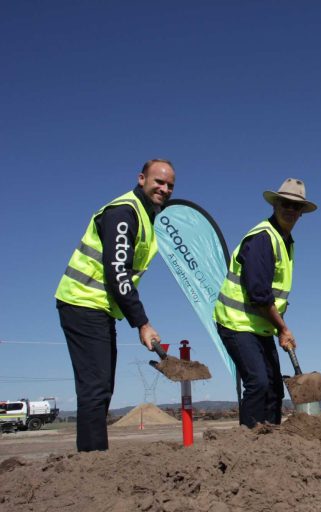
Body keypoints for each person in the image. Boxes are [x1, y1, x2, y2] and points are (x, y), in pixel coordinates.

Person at [55, 159, 176, 451]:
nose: (164, 188)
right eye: (158, 181)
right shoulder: (124, 212)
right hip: (82, 302)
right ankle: (92, 463)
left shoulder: (146, 216)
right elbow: (117, 271)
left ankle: (94, 459)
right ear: (142, 178)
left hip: (99, 308)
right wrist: (142, 323)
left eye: (170, 185)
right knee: (95, 388)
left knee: (102, 387)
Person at [214, 178, 317, 427]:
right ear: (275, 205)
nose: (290, 210)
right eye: (285, 204)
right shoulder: (263, 238)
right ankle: (248, 446)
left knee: (273, 387)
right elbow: (259, 294)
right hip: (236, 323)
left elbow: (273, 298)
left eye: (296, 207)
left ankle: (272, 446)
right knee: (258, 383)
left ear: (302, 212)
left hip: (259, 326)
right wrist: (283, 329)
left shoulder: (284, 241)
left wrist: (281, 327)